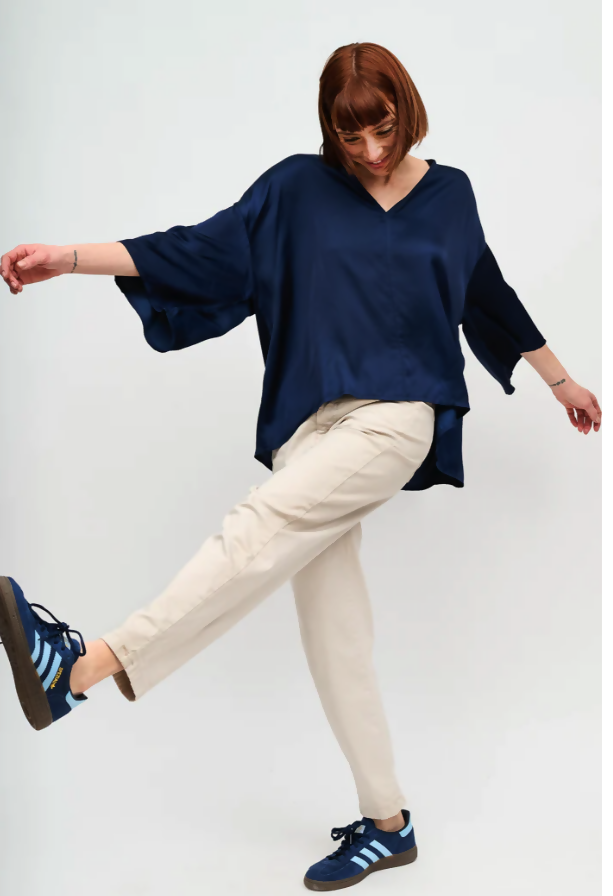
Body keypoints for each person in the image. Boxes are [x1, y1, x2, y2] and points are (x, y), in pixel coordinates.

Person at [0, 41, 601, 891]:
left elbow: (486, 294)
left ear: (405, 110)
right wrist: (66, 259)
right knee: (335, 638)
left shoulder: (450, 195)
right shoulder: (295, 189)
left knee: (259, 523)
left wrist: (560, 381)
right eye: (351, 136)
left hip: (396, 415)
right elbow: (197, 251)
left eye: (383, 129)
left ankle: (82, 666)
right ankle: (388, 825)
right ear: (329, 128)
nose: (371, 151)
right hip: (305, 430)